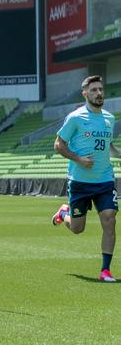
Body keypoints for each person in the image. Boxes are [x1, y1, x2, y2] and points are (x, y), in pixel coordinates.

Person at [52, 75, 119, 282]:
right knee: (77, 228)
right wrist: (78, 159)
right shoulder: (75, 117)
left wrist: (118, 153)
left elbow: (107, 144)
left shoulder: (109, 118)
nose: (99, 93)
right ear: (85, 94)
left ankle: (105, 270)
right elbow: (58, 145)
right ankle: (64, 214)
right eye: (94, 90)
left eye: (100, 89)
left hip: (105, 180)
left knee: (110, 220)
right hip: (80, 182)